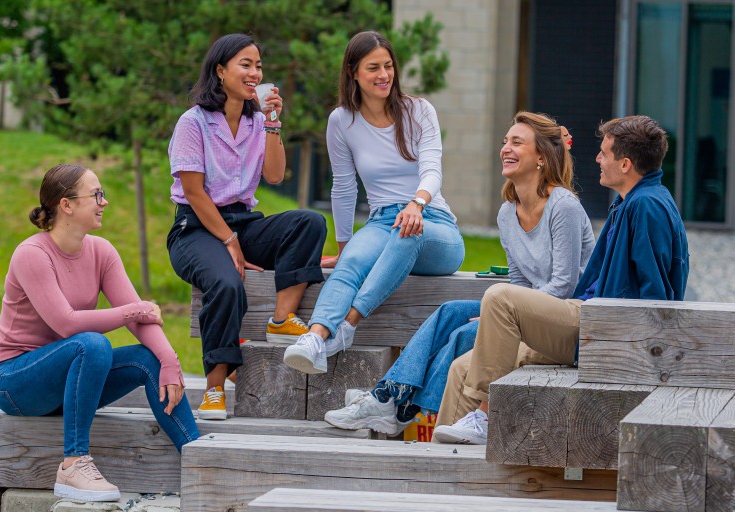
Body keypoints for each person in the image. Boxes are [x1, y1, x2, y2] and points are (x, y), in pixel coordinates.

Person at [323, 114, 594, 435]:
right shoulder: (508, 213)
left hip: (565, 321)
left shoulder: (563, 206)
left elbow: (565, 286)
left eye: (517, 142)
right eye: (505, 141)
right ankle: (390, 395)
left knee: (465, 335)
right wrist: (502, 316)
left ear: (541, 157)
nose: (506, 148)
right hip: (528, 310)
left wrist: (505, 318)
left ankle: (400, 406)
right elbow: (521, 283)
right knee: (452, 312)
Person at [433, 115, 689, 444]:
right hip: (587, 321)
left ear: (625, 164)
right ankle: (446, 464)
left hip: (602, 333)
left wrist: (628, 352)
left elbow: (654, 298)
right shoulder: (631, 203)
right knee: (461, 368)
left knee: (500, 298)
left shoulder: (646, 207)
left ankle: (485, 415)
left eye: (604, 153)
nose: (597, 158)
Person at [0, 164, 200, 502]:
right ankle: (74, 462)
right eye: (96, 195)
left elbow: (139, 320)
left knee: (151, 360)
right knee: (92, 344)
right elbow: (68, 324)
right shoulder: (32, 254)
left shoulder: (101, 251)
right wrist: (136, 309)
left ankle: (198, 457)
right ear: (66, 205)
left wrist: (170, 359)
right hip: (14, 380)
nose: (105, 202)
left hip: (67, 378)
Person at [282, 31, 465, 375]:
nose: (383, 75)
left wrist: (417, 204)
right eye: (372, 68)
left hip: (435, 224)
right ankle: (316, 337)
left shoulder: (419, 110)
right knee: (351, 263)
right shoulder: (342, 120)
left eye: (388, 66)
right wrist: (344, 244)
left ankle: (348, 326)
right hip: (383, 222)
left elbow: (432, 170)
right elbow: (344, 186)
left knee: (409, 231)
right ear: (353, 72)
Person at [166, 34, 327, 419]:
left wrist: (272, 124)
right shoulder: (193, 123)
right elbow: (194, 191)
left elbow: (274, 174)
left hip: (243, 219)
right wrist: (229, 241)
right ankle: (215, 388)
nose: (254, 72)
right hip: (196, 227)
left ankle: (281, 319)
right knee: (225, 282)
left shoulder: (258, 122)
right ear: (220, 71)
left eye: (258, 65)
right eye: (245, 64)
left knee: (308, 222)